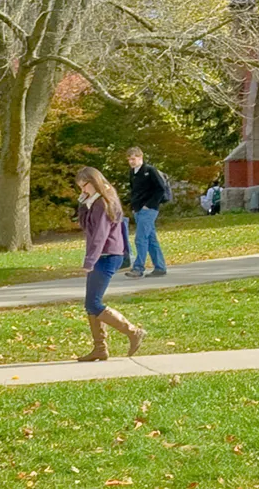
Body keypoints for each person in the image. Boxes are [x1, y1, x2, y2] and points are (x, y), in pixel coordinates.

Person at [76, 166, 146, 361]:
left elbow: (100, 234)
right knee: (90, 304)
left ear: (94, 182)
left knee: (94, 303)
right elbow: (85, 226)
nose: (83, 190)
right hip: (102, 255)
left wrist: (89, 261)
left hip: (107, 255)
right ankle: (100, 348)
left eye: (84, 186)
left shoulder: (103, 202)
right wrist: (82, 205)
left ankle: (133, 331)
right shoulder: (93, 201)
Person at [122, 146, 169, 279]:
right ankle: (160, 267)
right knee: (151, 238)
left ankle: (138, 268)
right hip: (138, 209)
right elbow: (134, 191)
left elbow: (160, 189)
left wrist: (149, 205)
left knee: (141, 238)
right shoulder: (133, 173)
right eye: (129, 159)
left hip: (149, 209)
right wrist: (134, 207)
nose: (131, 162)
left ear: (140, 157)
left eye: (134, 158)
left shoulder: (150, 171)